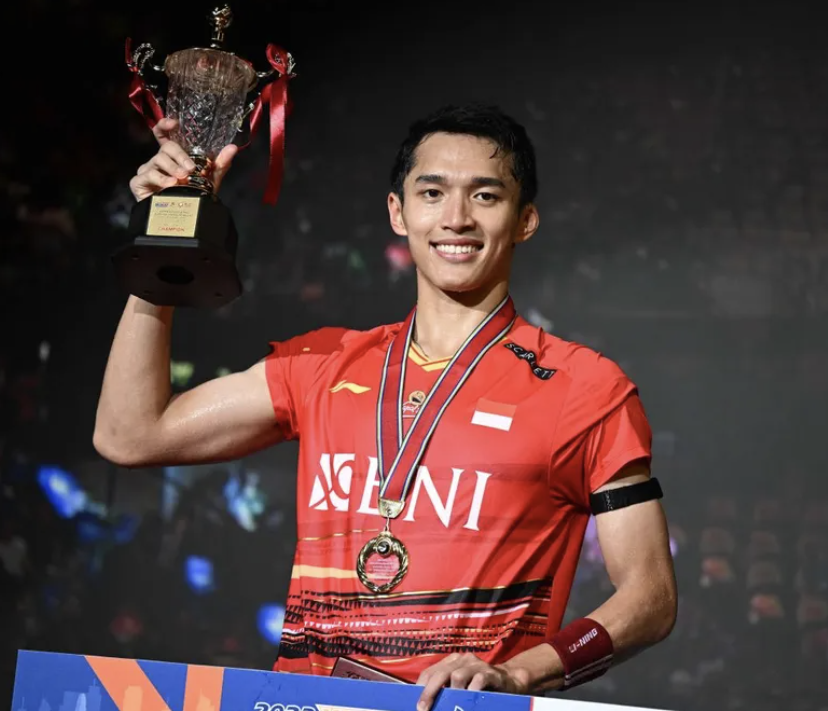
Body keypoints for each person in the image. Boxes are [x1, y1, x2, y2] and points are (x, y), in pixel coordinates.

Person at [94, 105, 677, 709]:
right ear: (398, 212)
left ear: (524, 220)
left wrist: (520, 674)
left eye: (485, 196)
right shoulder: (322, 364)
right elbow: (130, 435)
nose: (456, 218)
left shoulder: (584, 388)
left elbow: (652, 598)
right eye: (432, 192)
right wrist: (160, 248)